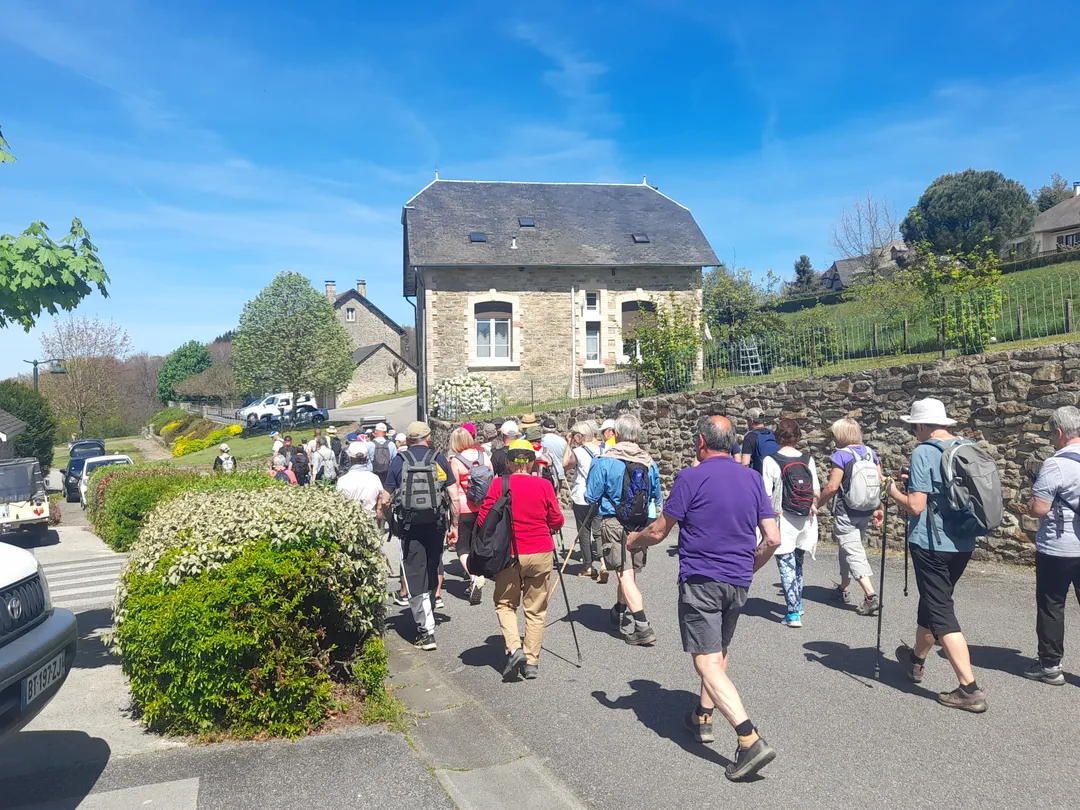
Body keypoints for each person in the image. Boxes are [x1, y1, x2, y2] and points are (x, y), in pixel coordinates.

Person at [627, 415, 781, 782]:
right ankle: (702, 717)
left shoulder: (690, 478)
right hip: (738, 580)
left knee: (706, 660)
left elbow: (660, 531)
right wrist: (748, 568)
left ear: (700, 441)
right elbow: (773, 538)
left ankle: (749, 738)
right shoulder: (752, 478)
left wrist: (634, 540)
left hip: (701, 579)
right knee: (719, 651)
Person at [885, 397, 987, 713]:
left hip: (931, 543)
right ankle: (916, 659)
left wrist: (892, 490)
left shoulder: (924, 452)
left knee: (941, 609)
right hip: (963, 541)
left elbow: (916, 506)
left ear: (919, 425)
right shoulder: (967, 446)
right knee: (933, 599)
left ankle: (969, 689)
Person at [477, 439, 564, 680]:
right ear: (532, 462)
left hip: (509, 554)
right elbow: (557, 521)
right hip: (540, 552)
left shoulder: (498, 484)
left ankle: (515, 648)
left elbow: (484, 519)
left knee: (505, 604)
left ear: (508, 462)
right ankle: (532, 661)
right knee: (536, 609)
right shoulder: (544, 485)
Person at [379, 421, 458, 651]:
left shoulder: (399, 461)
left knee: (414, 575)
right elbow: (454, 496)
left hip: (409, 527)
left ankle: (426, 631)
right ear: (428, 437)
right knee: (432, 569)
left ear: (408, 439)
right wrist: (455, 526)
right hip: (436, 525)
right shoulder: (438, 459)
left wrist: (392, 523)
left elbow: (385, 500)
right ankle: (430, 610)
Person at [585, 414, 663, 645]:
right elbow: (656, 495)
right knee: (629, 570)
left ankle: (642, 626)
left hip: (613, 521)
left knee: (624, 573)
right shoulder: (649, 462)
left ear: (616, 434)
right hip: (640, 523)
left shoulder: (604, 461)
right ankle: (619, 609)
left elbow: (591, 495)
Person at [1019, 405, 1080, 686]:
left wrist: (1031, 503)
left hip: (1058, 548)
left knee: (1052, 605)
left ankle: (1050, 666)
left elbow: (1040, 509)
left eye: (1051, 435)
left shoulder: (1056, 464)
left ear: (1059, 432)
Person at [817, 417, 884, 616]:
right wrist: (879, 507)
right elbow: (880, 482)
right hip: (866, 509)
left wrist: (816, 504)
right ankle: (844, 586)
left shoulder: (841, 455)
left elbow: (832, 487)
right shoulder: (871, 453)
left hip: (846, 511)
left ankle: (870, 595)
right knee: (848, 547)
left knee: (853, 550)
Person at [760, 418, 819, 627]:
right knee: (798, 563)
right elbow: (816, 491)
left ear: (778, 436)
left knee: (786, 565)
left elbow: (766, 494)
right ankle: (798, 603)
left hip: (783, 518)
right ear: (798, 436)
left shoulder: (771, 460)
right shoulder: (807, 459)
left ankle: (793, 613)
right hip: (805, 519)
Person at [562, 421, 608, 582]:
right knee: (598, 531)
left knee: (584, 531)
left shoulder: (579, 451)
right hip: (600, 495)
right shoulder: (603, 449)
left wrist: (568, 445)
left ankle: (588, 566)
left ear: (579, 436)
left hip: (582, 496)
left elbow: (565, 465)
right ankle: (603, 563)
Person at [448, 426, 489, 605]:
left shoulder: (455, 461)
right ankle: (476, 577)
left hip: (465, 507)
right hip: (484, 506)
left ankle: (474, 577)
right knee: (476, 543)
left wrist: (453, 522)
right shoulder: (484, 455)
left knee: (462, 547)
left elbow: (454, 491)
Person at [337, 444, 383, 518]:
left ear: (349, 458)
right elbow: (379, 508)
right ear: (366, 458)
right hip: (370, 520)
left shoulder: (342, 480)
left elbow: (339, 506)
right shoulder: (375, 479)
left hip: (350, 520)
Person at [738, 409, 779, 473]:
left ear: (751, 420)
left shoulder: (750, 437)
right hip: (775, 473)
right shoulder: (773, 434)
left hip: (758, 475)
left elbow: (745, 463)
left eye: (748, 420)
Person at [540, 418, 568, 488]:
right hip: (559, 473)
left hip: (545, 473)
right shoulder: (563, 441)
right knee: (556, 494)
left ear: (543, 428)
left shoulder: (541, 440)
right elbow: (567, 457)